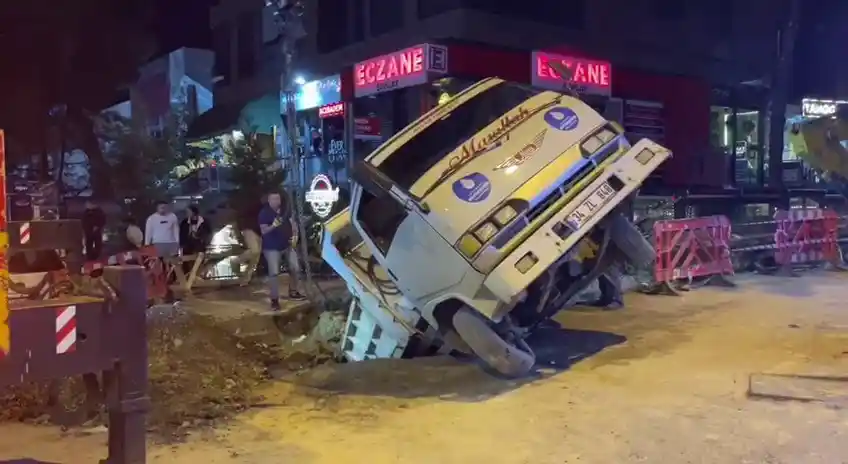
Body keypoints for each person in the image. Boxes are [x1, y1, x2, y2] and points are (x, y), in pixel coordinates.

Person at [258, 191, 305, 309]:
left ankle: (293, 291)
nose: (276, 202)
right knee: (274, 273)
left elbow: (293, 224)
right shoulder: (264, 213)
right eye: (273, 199)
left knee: (295, 268)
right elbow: (263, 231)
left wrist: (295, 235)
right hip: (271, 247)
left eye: (277, 199)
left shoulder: (285, 211)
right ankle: (274, 300)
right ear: (269, 200)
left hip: (287, 245)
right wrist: (273, 225)